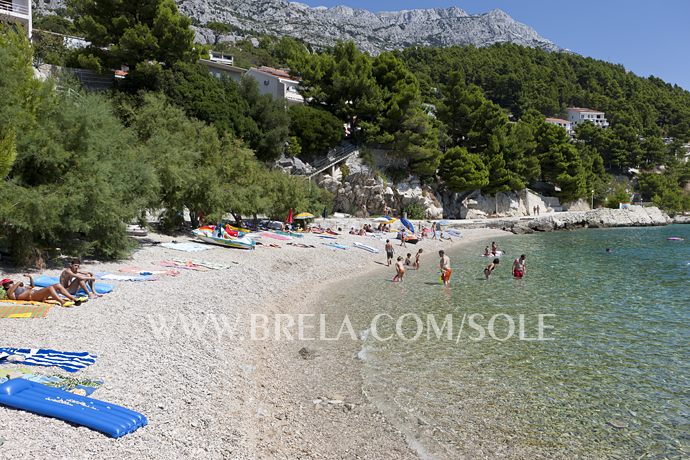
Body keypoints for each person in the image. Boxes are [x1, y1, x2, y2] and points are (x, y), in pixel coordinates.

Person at [2, 275, 79, 307]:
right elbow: (12, 297)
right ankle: (62, 302)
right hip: (33, 297)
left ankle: (73, 298)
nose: (12, 283)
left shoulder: (17, 287)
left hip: (36, 293)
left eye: (11, 282)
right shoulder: (9, 292)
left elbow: (32, 286)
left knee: (57, 285)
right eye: (10, 282)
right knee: (50, 288)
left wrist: (30, 277)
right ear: (6, 286)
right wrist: (18, 283)